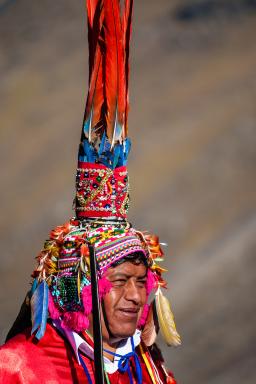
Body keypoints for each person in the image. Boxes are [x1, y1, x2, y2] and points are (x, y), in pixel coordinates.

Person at [0, 1, 180, 382]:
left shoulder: (150, 369)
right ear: (74, 287)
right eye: (119, 281)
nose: (135, 296)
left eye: (140, 281)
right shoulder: (18, 370)